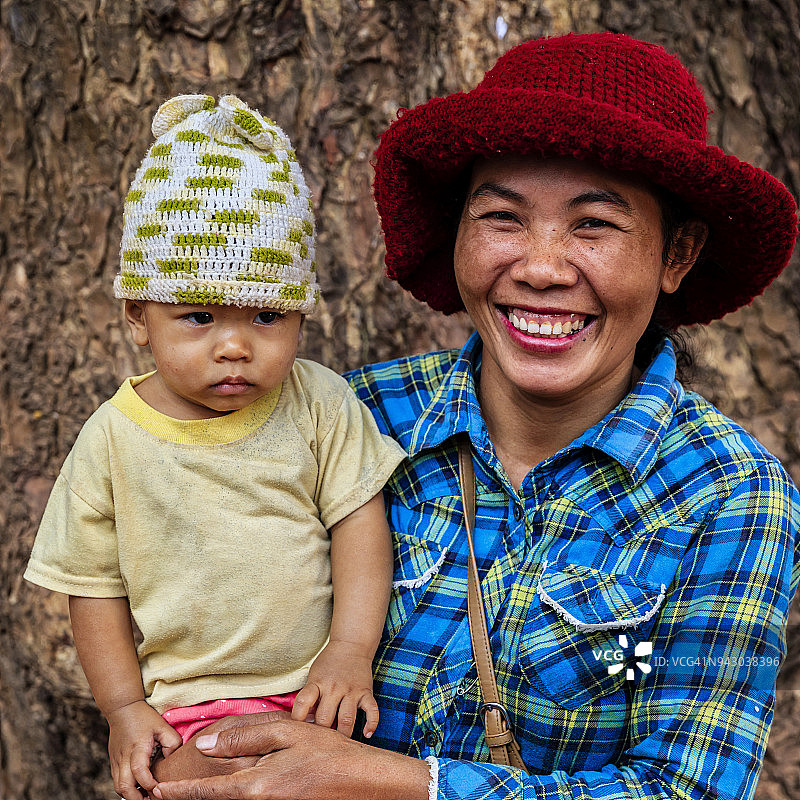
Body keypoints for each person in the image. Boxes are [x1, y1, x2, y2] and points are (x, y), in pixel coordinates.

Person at [149, 33, 800, 800]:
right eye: (503, 218)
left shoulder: (729, 498)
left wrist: (405, 783)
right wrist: (190, 750)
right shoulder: (350, 419)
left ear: (677, 256)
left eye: (594, 224)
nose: (542, 267)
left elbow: (687, 789)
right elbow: (198, 630)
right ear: (459, 231)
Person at [23, 94, 407, 800]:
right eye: (197, 316)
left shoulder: (317, 402)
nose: (235, 345)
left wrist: (350, 650)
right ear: (138, 316)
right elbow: (93, 586)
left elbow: (358, 522)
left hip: (320, 698)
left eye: (266, 314)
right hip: (187, 713)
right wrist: (123, 708)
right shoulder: (112, 440)